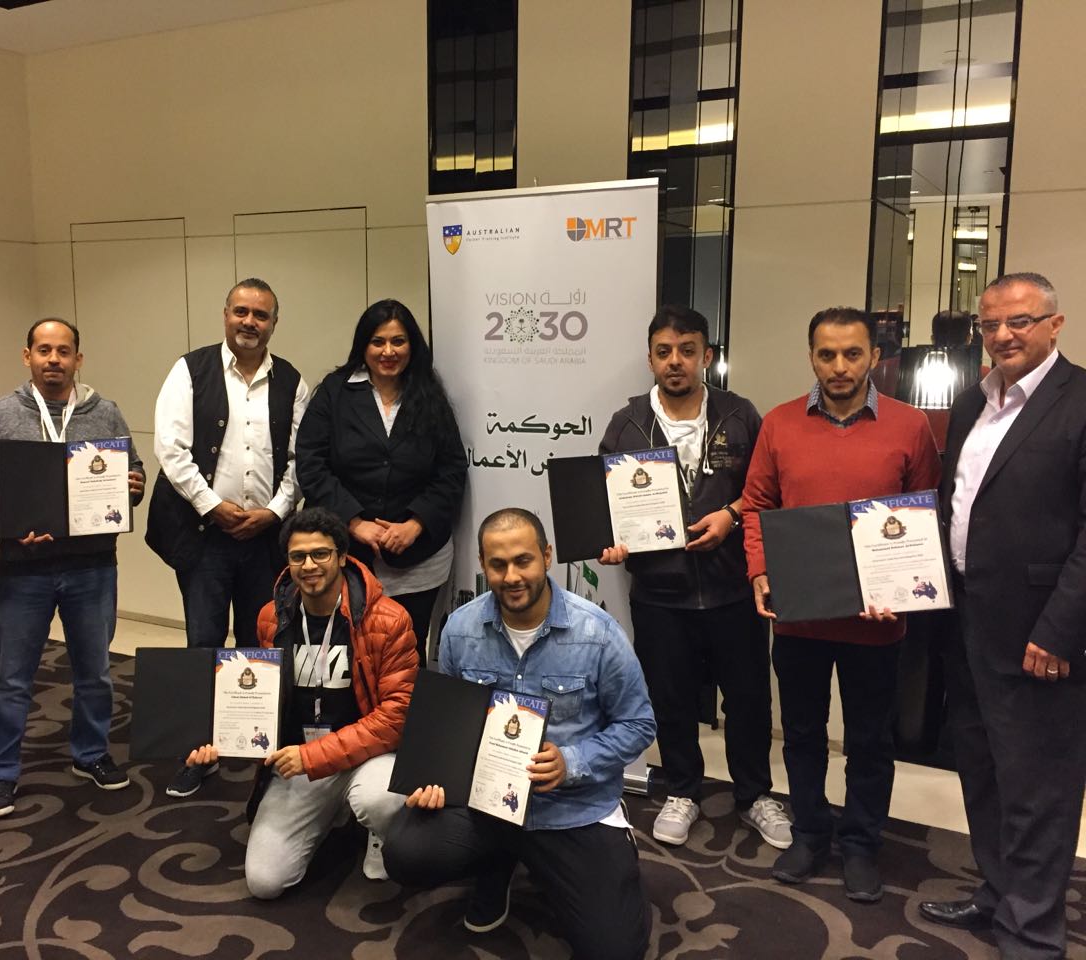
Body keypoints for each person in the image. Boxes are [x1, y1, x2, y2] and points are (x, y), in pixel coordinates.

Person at [383, 508, 656, 960]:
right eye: (498, 564)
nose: (511, 576)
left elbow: (639, 724)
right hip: (485, 802)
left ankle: (605, 849)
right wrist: (434, 780)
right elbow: (448, 722)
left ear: (546, 556)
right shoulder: (460, 630)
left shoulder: (597, 633)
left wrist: (572, 761)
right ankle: (499, 862)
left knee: (614, 950)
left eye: (523, 561)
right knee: (406, 853)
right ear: (482, 563)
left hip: (568, 807)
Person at [741, 306, 940, 902]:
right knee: (802, 735)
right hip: (800, 616)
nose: (839, 366)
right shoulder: (779, 423)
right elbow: (756, 505)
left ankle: (860, 845)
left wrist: (904, 587)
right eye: (826, 354)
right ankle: (809, 835)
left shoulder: (909, 426)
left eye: (852, 354)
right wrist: (760, 570)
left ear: (874, 356)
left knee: (869, 741)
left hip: (877, 624)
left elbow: (925, 513)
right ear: (811, 357)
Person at [921, 273, 1086, 959]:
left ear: (1055, 324)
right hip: (967, 624)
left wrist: (1059, 630)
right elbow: (956, 503)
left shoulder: (1081, 402)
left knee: (1039, 790)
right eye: (990, 324)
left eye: (1020, 321)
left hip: (1039, 635)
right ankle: (998, 895)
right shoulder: (972, 402)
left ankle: (1033, 934)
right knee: (984, 773)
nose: (1003, 335)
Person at [597, 305, 788, 849]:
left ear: (707, 355)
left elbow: (765, 490)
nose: (675, 362)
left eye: (687, 351)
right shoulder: (628, 423)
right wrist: (610, 542)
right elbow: (605, 503)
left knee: (747, 699)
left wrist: (730, 515)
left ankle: (755, 794)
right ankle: (682, 789)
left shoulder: (740, 414)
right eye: (664, 352)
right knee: (671, 697)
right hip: (661, 592)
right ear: (650, 359)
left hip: (733, 588)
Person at [183, 506, 417, 897]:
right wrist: (220, 741)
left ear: (343, 557)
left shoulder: (389, 620)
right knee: (265, 882)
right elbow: (258, 702)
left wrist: (313, 757)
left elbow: (395, 718)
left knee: (379, 799)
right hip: (302, 761)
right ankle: (331, 811)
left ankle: (376, 831)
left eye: (320, 554)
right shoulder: (271, 617)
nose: (309, 565)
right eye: (298, 556)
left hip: (369, 756)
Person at [0, 318, 145, 818]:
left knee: (96, 672)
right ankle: (1, 773)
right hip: (23, 569)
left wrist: (133, 485)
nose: (53, 360)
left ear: (77, 360)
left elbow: (134, 469)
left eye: (64, 351)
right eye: (44, 350)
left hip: (92, 566)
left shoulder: (105, 412)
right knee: (12, 678)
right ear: (27, 356)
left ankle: (91, 754)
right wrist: (4, 522)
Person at [147, 278, 308, 799]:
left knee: (262, 643)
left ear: (274, 323)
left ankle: (258, 746)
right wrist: (212, 506)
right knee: (204, 644)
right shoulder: (189, 370)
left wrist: (275, 512)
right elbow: (171, 449)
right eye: (241, 311)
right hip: (204, 537)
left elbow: (300, 458)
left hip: (264, 538)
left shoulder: (292, 381)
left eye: (260, 315)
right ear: (225, 314)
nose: (249, 322)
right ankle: (199, 753)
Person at [295, 299, 466, 664]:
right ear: (364, 345)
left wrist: (415, 524)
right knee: (348, 652)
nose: (388, 351)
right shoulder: (335, 391)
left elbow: (451, 470)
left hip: (420, 555)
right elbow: (311, 464)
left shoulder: (429, 394)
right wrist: (354, 522)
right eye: (378, 341)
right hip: (348, 552)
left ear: (412, 346)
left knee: (406, 653)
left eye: (398, 341)